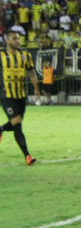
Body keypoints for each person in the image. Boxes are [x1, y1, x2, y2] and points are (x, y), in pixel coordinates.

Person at [0, 28, 40, 165]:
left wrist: (36, 88)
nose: (18, 41)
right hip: (6, 96)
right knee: (17, 126)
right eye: (14, 38)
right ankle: (27, 156)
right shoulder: (1, 55)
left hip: (21, 95)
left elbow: (31, 71)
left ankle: (1, 129)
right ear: (7, 40)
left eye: (18, 38)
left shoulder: (25, 55)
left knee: (16, 123)